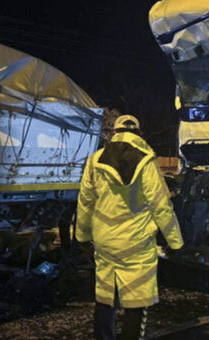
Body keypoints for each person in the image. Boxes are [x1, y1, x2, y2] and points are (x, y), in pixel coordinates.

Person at [76, 115, 184, 340]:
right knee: (136, 302)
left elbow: (85, 202)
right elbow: (161, 206)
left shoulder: (95, 160)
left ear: (115, 132)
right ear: (138, 133)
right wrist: (175, 242)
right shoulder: (146, 161)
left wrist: (83, 236)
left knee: (105, 298)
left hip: (104, 241)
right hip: (137, 244)